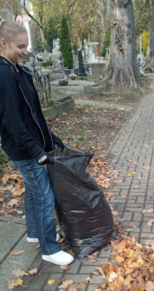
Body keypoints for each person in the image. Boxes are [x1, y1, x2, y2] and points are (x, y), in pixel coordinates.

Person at [0, 17, 74, 266]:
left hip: (31, 145)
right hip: (22, 149)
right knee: (44, 195)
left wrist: (50, 138)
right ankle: (49, 249)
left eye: (26, 46)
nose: (25, 51)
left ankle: (35, 233)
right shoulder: (3, 75)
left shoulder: (18, 70)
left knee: (34, 192)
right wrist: (35, 150)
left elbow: (33, 113)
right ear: (3, 43)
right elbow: (12, 120)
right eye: (19, 47)